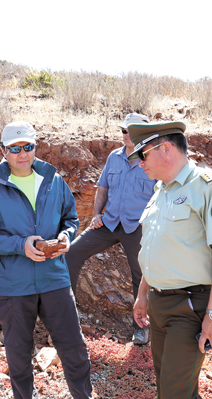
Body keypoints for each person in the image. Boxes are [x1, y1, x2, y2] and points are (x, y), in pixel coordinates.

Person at [0, 121, 93, 399]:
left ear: (35, 147)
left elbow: (70, 218)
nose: (22, 154)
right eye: (15, 149)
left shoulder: (54, 181)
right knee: (18, 356)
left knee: (74, 349)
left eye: (28, 147)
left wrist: (66, 236)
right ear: (3, 151)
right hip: (14, 286)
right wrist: (20, 244)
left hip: (54, 280)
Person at [130, 121, 212, 399]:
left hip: (189, 305)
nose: (140, 164)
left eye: (143, 155)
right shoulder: (161, 192)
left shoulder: (209, 187)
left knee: (173, 393)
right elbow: (157, 249)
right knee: (174, 387)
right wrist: (143, 294)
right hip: (159, 304)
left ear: (165, 148)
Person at [65, 112, 156, 345]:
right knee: (73, 252)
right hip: (110, 222)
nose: (126, 135)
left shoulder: (153, 160)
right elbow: (103, 188)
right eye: (124, 131)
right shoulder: (114, 157)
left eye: (132, 131)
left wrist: (152, 223)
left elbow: (162, 194)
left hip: (137, 226)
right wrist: (96, 214)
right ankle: (65, 316)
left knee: (141, 275)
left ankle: (141, 328)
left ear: (144, 135)